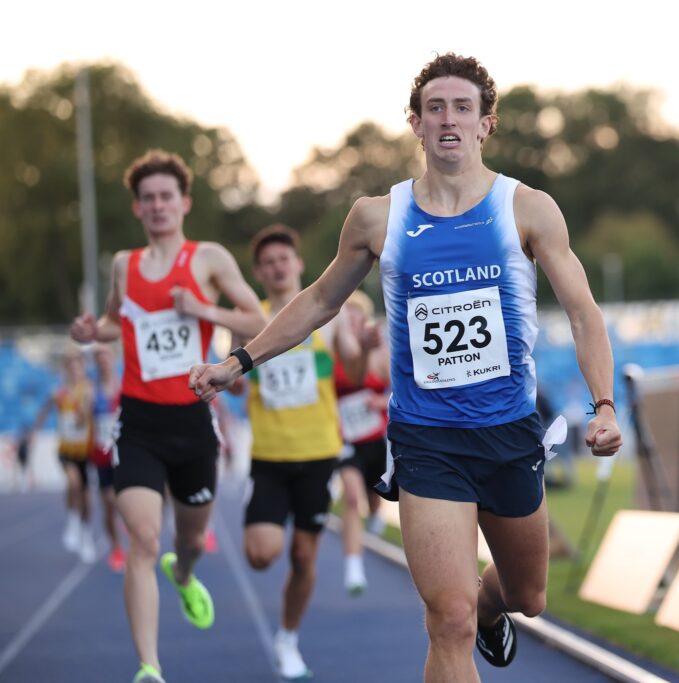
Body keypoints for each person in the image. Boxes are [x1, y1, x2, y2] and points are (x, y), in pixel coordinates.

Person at [190, 53, 622, 682]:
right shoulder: (377, 217)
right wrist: (240, 360)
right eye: (435, 108)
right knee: (447, 621)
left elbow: (583, 313)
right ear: (416, 124)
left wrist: (604, 403)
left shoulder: (527, 209)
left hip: (508, 432)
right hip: (427, 439)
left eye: (463, 108)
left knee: (528, 596)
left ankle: (492, 606)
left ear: (486, 125)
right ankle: (467, 612)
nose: (449, 119)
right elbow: (315, 301)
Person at [70, 149, 266, 683]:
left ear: (184, 203)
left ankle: (183, 575)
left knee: (186, 543)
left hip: (194, 423)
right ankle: (150, 667)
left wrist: (202, 310)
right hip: (139, 424)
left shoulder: (208, 259)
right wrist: (93, 334)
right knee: (142, 538)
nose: (157, 206)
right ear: (137, 207)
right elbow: (116, 323)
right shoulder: (123, 265)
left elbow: (256, 318)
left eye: (166, 197)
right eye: (148, 198)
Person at [229, 224, 360, 680]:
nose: (277, 266)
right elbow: (232, 378)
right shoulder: (251, 320)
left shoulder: (329, 314)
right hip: (270, 454)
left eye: (284, 258)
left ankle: (287, 638)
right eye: (267, 262)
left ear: (299, 264)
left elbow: (356, 367)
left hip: (319, 452)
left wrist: (365, 348)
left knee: (304, 556)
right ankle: (263, 517)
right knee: (261, 555)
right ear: (258, 273)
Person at [333, 289, 390, 595]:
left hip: (377, 439)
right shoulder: (333, 355)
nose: (351, 326)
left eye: (356, 320)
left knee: (374, 494)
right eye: (346, 321)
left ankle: (377, 517)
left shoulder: (380, 355)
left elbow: (405, 392)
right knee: (352, 497)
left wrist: (382, 401)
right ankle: (354, 568)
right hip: (346, 440)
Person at [29, 347, 96, 562]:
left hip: (84, 451)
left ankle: (86, 535)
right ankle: (73, 521)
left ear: (83, 368)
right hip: (66, 449)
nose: (75, 370)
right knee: (73, 484)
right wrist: (35, 432)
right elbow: (45, 409)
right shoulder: (60, 392)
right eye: (71, 366)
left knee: (86, 498)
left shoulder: (87, 389)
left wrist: (83, 412)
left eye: (78, 366)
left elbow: (89, 409)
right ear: (67, 369)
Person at [91, 343, 126, 572]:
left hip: (124, 453)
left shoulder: (124, 389)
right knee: (108, 504)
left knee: (125, 503)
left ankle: (131, 543)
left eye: (106, 357)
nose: (103, 362)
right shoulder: (91, 392)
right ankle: (116, 548)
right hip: (101, 455)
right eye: (99, 359)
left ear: (113, 360)